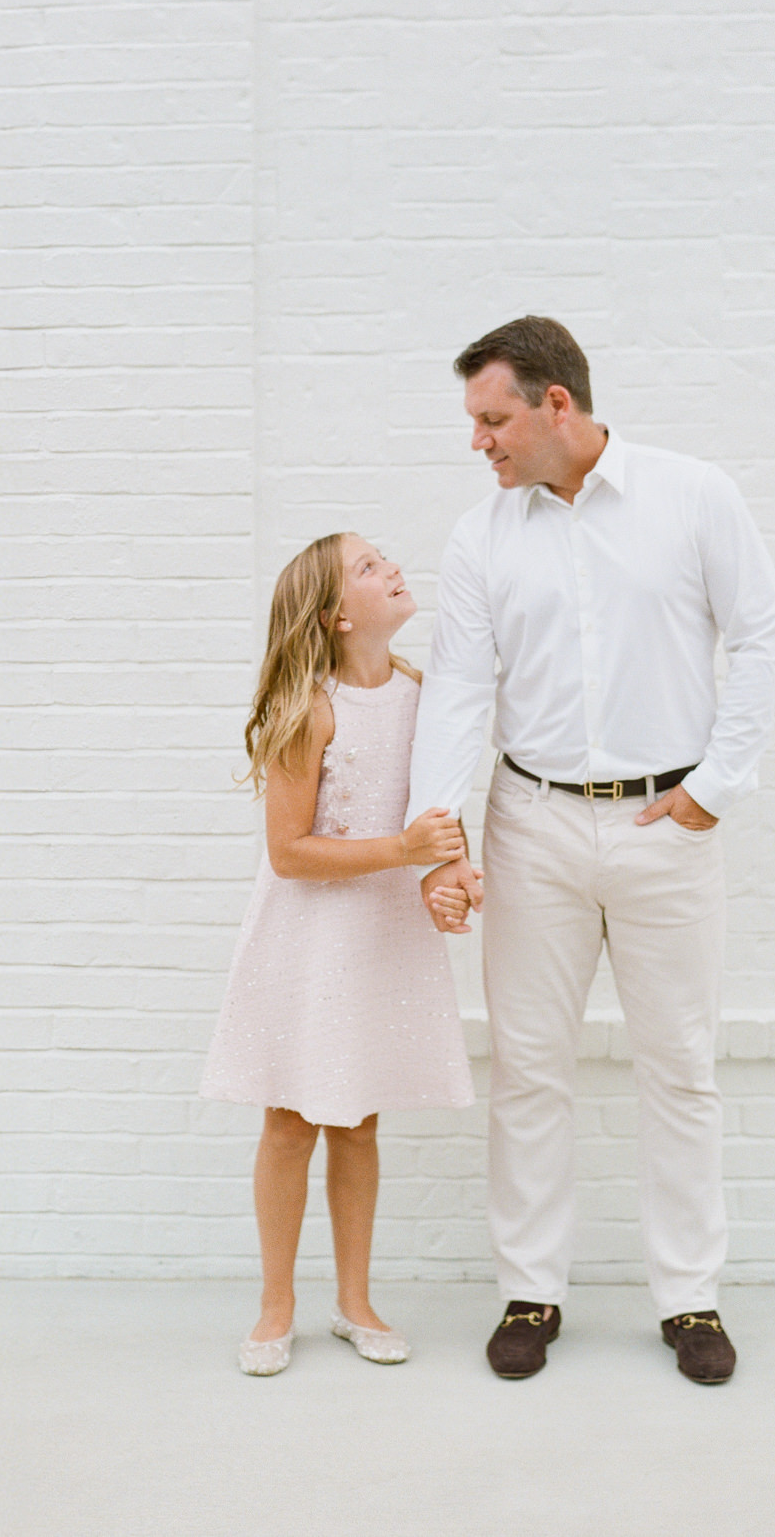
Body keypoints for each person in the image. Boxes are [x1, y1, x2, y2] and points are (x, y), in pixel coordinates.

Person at [407, 316, 775, 1385]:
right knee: (530, 1067)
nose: (479, 443)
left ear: (556, 405)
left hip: (667, 824)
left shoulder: (694, 495)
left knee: (681, 1067)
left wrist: (715, 790)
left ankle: (692, 1304)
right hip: (530, 823)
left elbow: (763, 636)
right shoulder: (483, 534)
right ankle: (531, 1292)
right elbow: (461, 688)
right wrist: (441, 834)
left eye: (493, 420)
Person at [201, 533, 475, 1375]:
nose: (392, 565)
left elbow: (437, 821)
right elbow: (290, 852)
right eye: (367, 566)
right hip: (308, 936)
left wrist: (446, 876)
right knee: (290, 1119)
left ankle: (354, 1299)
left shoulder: (425, 696)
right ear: (337, 615)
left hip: (381, 935)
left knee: (357, 1120)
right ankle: (275, 1301)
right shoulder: (310, 710)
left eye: (387, 555)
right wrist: (404, 851)